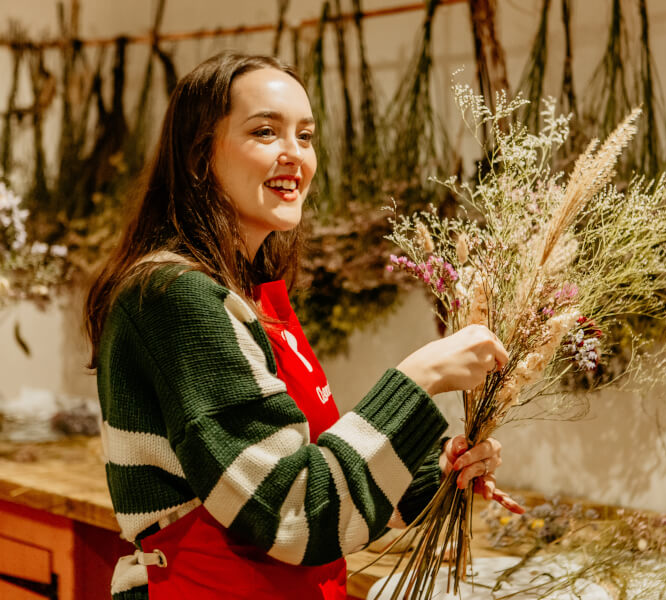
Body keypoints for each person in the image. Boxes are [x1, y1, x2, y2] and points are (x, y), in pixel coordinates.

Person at [84, 51, 522, 600]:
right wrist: (418, 379)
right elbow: (293, 517)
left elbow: (316, 486)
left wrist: (434, 474)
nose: (294, 155)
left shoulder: (248, 296)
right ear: (200, 156)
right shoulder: (175, 297)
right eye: (265, 132)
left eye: (306, 136)